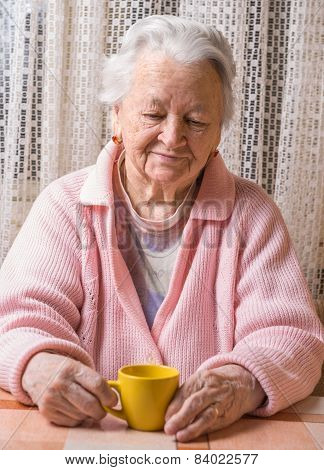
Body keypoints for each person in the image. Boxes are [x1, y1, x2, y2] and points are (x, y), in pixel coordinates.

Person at [0, 15, 323, 443]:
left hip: (219, 444)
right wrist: (39, 366)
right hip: (90, 441)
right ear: (117, 116)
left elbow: (292, 336)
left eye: (196, 121)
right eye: (153, 113)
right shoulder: (64, 204)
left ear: (217, 135)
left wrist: (240, 382)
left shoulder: (253, 214)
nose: (172, 138)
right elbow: (16, 319)